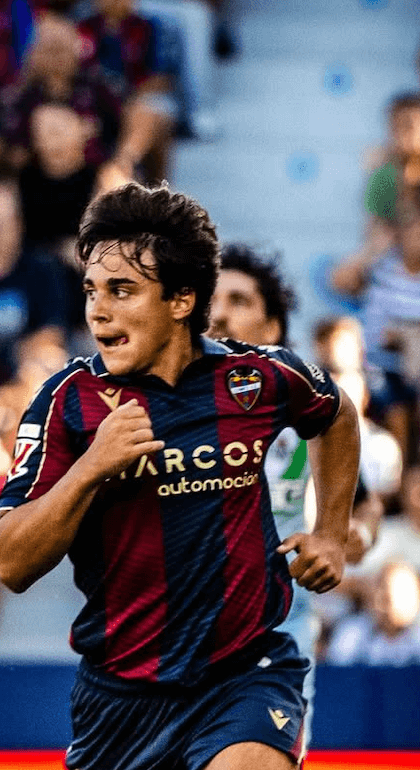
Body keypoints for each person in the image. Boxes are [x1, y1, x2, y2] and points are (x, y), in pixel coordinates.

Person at [0, 183, 361, 770]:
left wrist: (332, 534)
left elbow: (336, 413)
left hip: (246, 672)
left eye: (121, 290)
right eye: (91, 291)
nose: (97, 310)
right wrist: (90, 469)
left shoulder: (257, 378)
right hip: (119, 699)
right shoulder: (66, 402)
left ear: (182, 299)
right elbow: (11, 563)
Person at [208, 244, 381, 757]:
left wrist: (348, 535)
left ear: (273, 328)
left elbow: (365, 504)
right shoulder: (163, 410)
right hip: (178, 639)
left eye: (239, 300)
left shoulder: (307, 418)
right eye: (211, 301)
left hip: (275, 639)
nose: (220, 314)